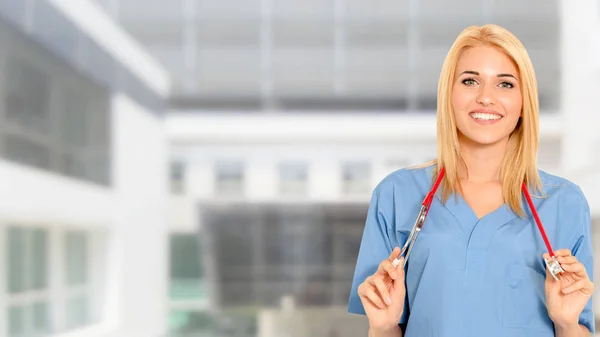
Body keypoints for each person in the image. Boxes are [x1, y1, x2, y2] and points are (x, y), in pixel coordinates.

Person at [347, 24, 595, 337]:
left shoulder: (564, 203)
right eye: (470, 81)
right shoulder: (396, 196)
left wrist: (566, 323)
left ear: (523, 103)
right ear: (448, 94)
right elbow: (384, 327)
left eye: (505, 84)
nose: (486, 98)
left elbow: (577, 326)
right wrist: (383, 326)